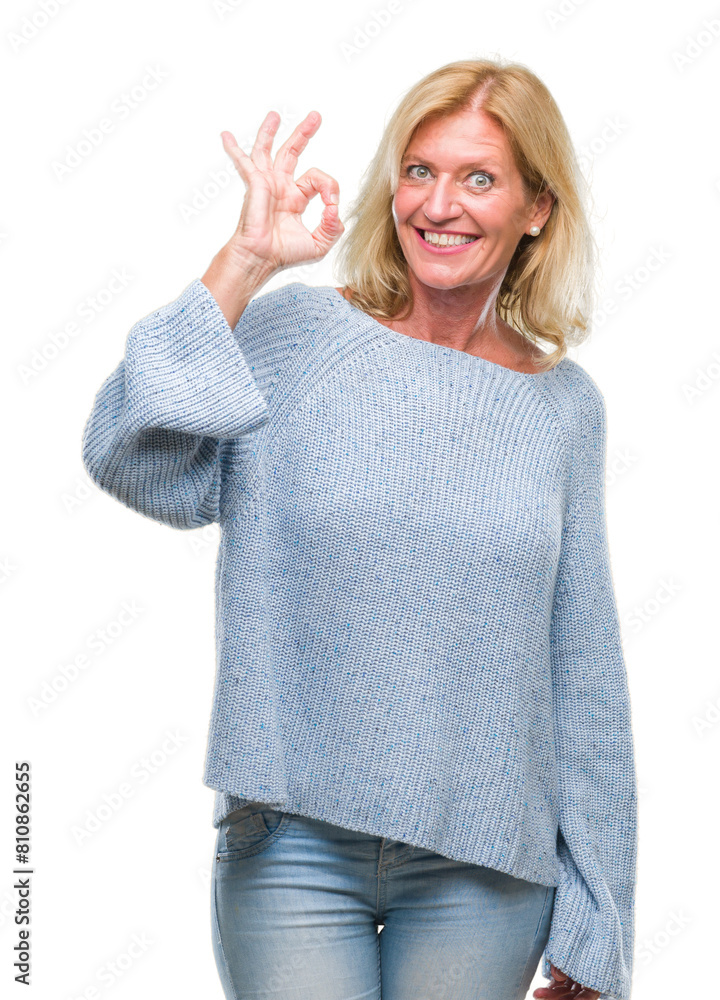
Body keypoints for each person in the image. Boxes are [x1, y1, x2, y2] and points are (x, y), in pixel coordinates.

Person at [81, 58, 638, 1000]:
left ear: (537, 208)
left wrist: (600, 917)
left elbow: (583, 670)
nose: (439, 205)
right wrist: (245, 261)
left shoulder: (562, 408)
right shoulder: (299, 337)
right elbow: (130, 456)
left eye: (479, 178)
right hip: (290, 842)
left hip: (485, 865)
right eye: (419, 171)